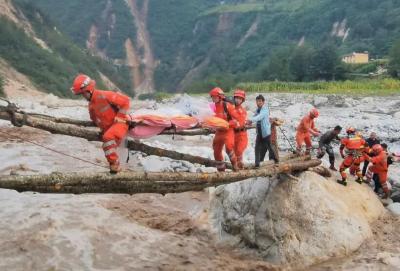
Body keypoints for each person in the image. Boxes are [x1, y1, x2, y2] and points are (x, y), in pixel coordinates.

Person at [70, 74, 130, 174]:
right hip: (110, 129)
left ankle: (114, 164)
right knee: (107, 140)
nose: (83, 96)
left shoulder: (105, 95)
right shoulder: (91, 106)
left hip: (120, 124)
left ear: (88, 90)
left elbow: (125, 101)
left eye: (83, 93)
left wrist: (119, 116)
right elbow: (95, 119)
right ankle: (115, 166)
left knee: (107, 138)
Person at [209, 87, 240, 171]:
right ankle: (221, 170)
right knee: (216, 151)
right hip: (219, 131)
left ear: (220, 97)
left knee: (229, 147)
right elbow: (210, 119)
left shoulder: (227, 106)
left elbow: (236, 119)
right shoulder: (212, 107)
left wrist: (228, 124)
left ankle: (235, 165)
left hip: (228, 130)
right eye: (212, 97)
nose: (213, 98)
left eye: (215, 97)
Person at [247, 95, 278, 168]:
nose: (258, 102)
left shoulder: (265, 110)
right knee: (257, 147)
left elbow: (259, 117)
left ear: (263, 102)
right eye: (257, 101)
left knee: (269, 147)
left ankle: (275, 160)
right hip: (259, 132)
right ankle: (257, 163)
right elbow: (255, 116)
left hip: (266, 132)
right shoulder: (258, 110)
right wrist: (249, 121)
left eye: (260, 101)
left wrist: (251, 120)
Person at [232, 89, 248, 169]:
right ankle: (238, 167)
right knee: (234, 152)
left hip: (241, 134)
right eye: (236, 98)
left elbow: (240, 123)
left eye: (240, 98)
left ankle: (240, 167)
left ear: (242, 100)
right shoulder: (231, 108)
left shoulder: (242, 111)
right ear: (234, 98)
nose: (238, 100)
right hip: (233, 134)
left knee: (239, 151)